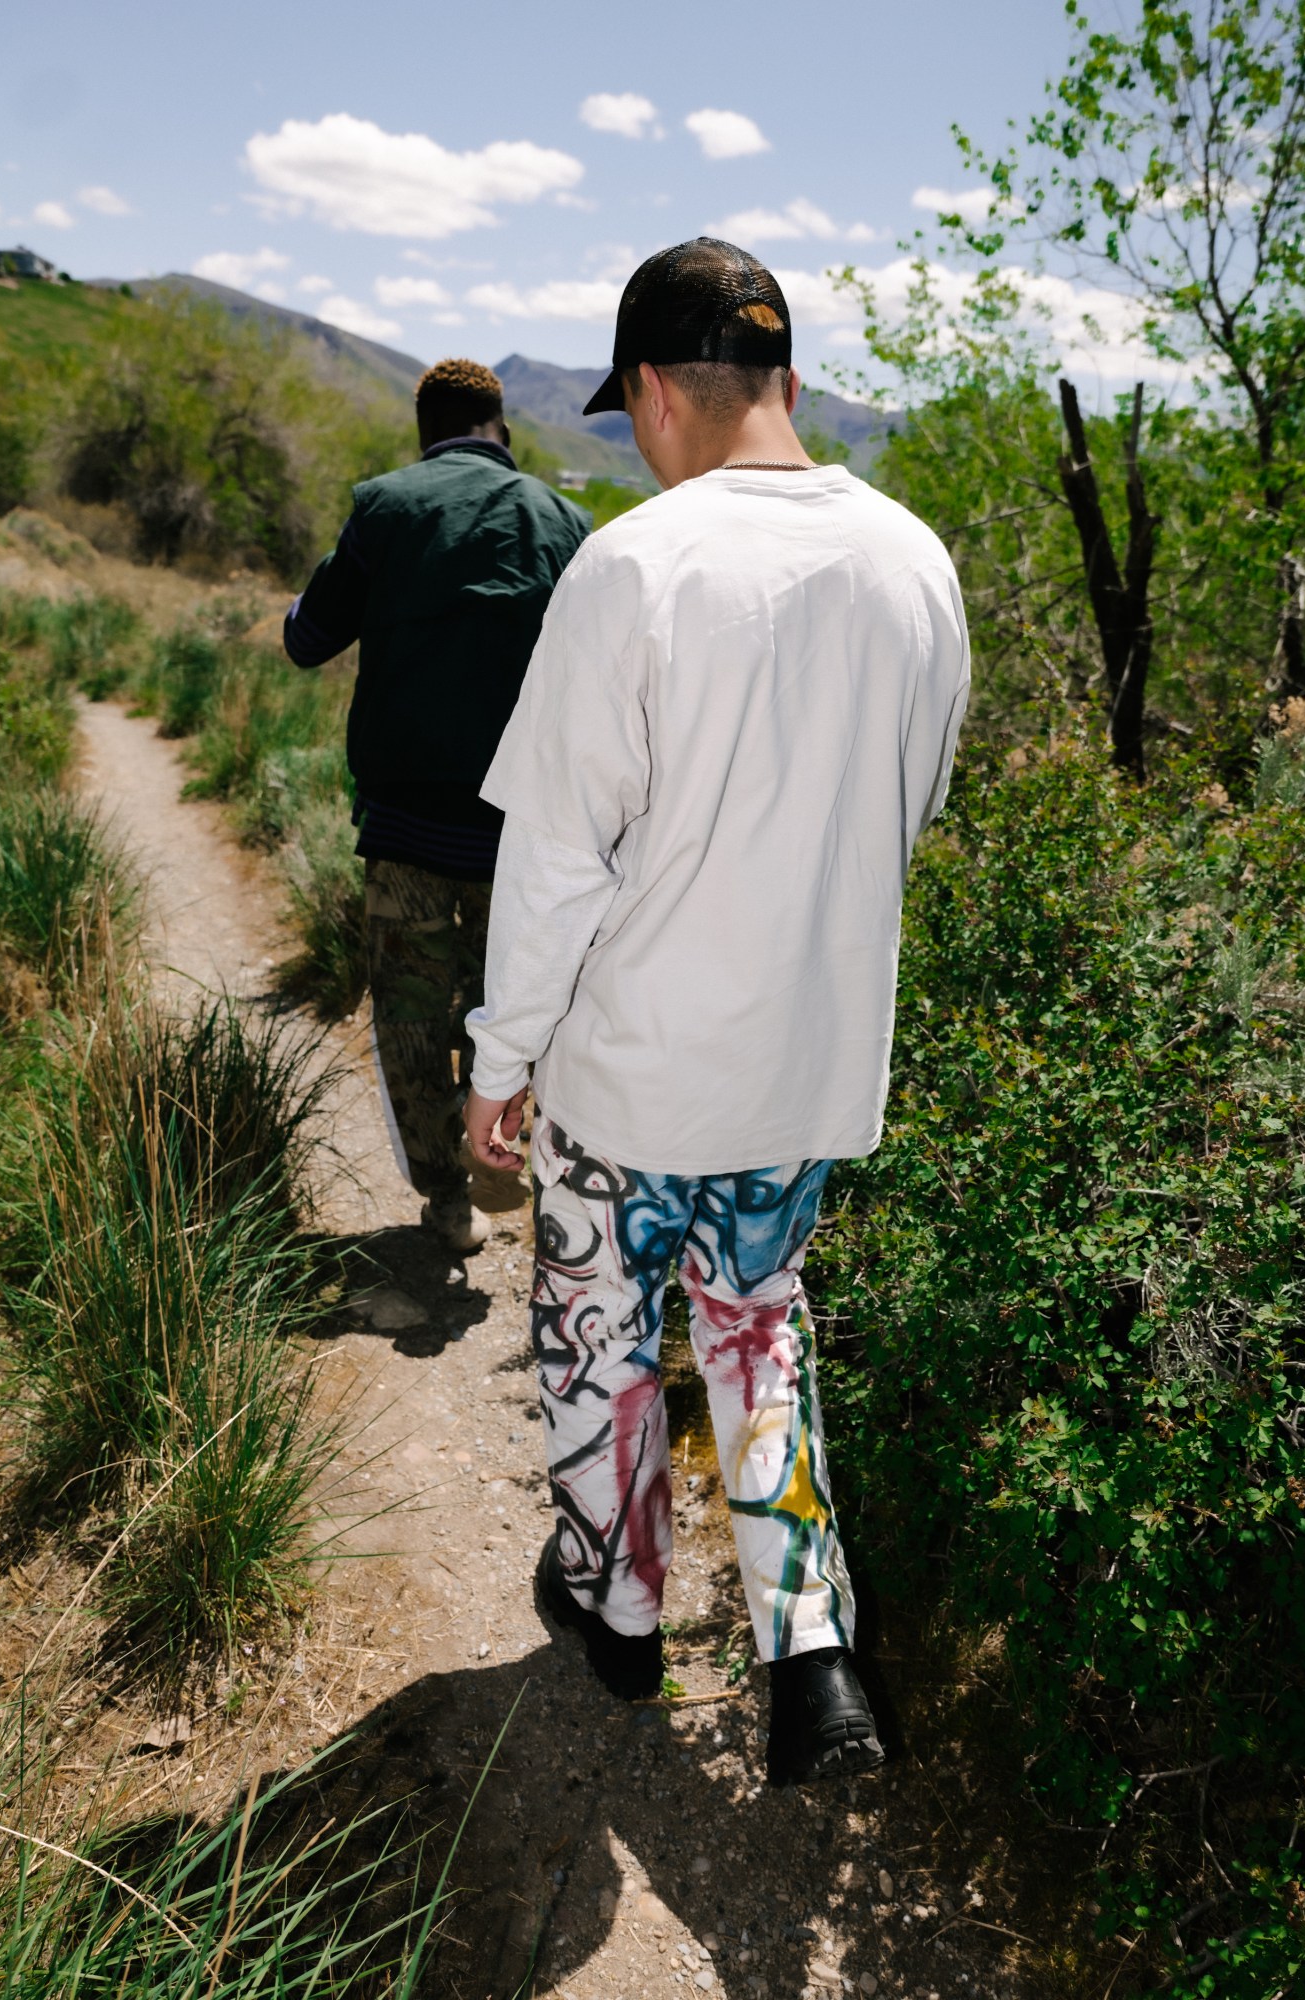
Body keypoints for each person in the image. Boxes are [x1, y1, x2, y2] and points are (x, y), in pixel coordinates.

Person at [462, 240, 970, 1785]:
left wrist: (500, 1058)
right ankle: (808, 1658)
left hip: (630, 1071)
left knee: (597, 1333)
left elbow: (554, 860)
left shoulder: (632, 565)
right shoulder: (915, 565)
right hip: (802, 1062)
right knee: (759, 1330)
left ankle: (617, 1611)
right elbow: (909, 807)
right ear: (786, 384)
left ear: (646, 395)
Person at [284, 359, 590, 1252]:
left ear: (425, 432)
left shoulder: (388, 504)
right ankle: (502, 1155)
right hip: (522, 839)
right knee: (513, 1011)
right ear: (502, 429)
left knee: (412, 1019)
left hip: (406, 831)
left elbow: (307, 638)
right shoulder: (565, 521)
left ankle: (445, 1200)